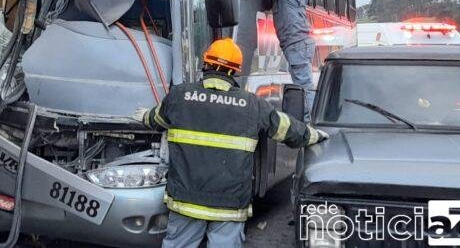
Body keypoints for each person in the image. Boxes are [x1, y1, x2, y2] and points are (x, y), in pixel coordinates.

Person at [135, 38, 329, 248]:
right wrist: (316, 135)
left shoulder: (179, 96)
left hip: (185, 201)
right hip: (229, 204)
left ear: (206, 64)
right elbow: (287, 129)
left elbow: (155, 120)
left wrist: (143, 115)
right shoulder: (252, 104)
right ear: (234, 71)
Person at [260, 0, 316, 120]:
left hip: (297, 43)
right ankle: (309, 121)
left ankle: (311, 123)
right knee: (303, 84)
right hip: (298, 43)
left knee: (303, 86)